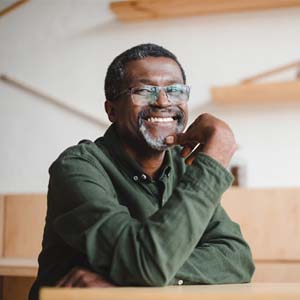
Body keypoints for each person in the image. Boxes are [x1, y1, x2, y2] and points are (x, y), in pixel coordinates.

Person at [29, 43, 254, 299]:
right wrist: (213, 159)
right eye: (144, 91)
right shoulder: (77, 167)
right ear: (111, 110)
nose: (163, 102)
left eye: (175, 90)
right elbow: (146, 264)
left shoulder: (182, 166)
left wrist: (135, 277)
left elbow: (237, 258)